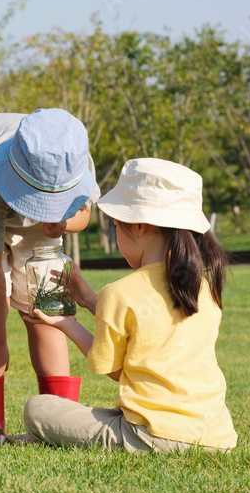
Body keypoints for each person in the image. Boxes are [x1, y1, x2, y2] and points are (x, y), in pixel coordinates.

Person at [23, 158, 237, 452]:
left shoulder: (120, 292)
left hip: (151, 435)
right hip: (216, 437)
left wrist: (67, 324)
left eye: (115, 226)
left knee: (38, 408)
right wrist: (87, 300)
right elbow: (148, 326)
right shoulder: (200, 288)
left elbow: (112, 369)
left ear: (138, 226)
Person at [0, 108, 99, 442]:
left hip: (34, 216)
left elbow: (84, 216)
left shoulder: (73, 157)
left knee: (46, 304)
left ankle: (61, 425)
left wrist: (61, 223)